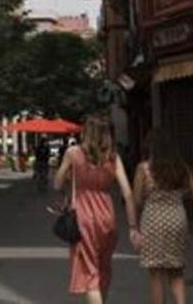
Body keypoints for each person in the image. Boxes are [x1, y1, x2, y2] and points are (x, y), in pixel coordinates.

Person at [55, 114, 137, 304]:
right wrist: (133, 227)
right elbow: (127, 193)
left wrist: (66, 175)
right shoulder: (113, 157)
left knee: (90, 273)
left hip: (83, 217)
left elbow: (58, 183)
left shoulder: (73, 153)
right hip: (107, 216)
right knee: (104, 267)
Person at [133, 129, 193, 304]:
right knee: (177, 271)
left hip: (153, 220)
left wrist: (134, 226)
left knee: (156, 274)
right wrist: (180, 193)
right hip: (177, 219)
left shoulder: (144, 169)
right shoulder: (181, 168)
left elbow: (136, 200)